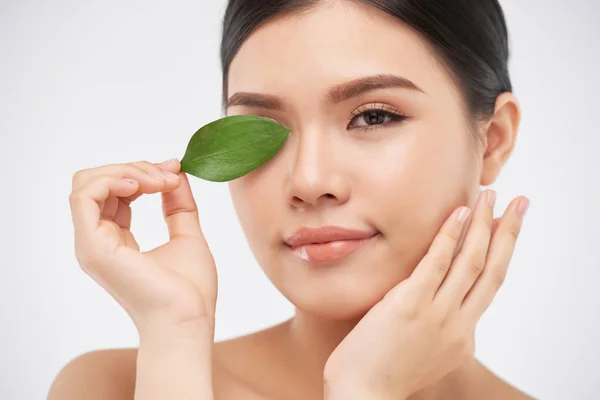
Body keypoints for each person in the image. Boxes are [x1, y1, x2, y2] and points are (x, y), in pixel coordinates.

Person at [48, 0, 534, 399]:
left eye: (373, 117)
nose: (308, 179)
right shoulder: (116, 387)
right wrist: (174, 333)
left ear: (492, 139)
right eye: (262, 131)